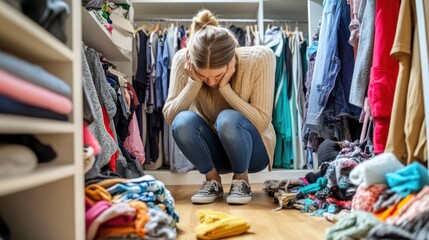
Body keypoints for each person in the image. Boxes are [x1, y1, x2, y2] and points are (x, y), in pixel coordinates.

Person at [163, 9, 276, 205]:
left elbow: (261, 122)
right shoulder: (184, 60)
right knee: (183, 121)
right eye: (203, 75)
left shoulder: (259, 58)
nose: (211, 82)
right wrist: (193, 82)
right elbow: (171, 118)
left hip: (253, 152)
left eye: (217, 75)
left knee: (227, 118)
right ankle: (212, 181)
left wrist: (226, 88)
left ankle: (242, 181)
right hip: (215, 154)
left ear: (231, 60)